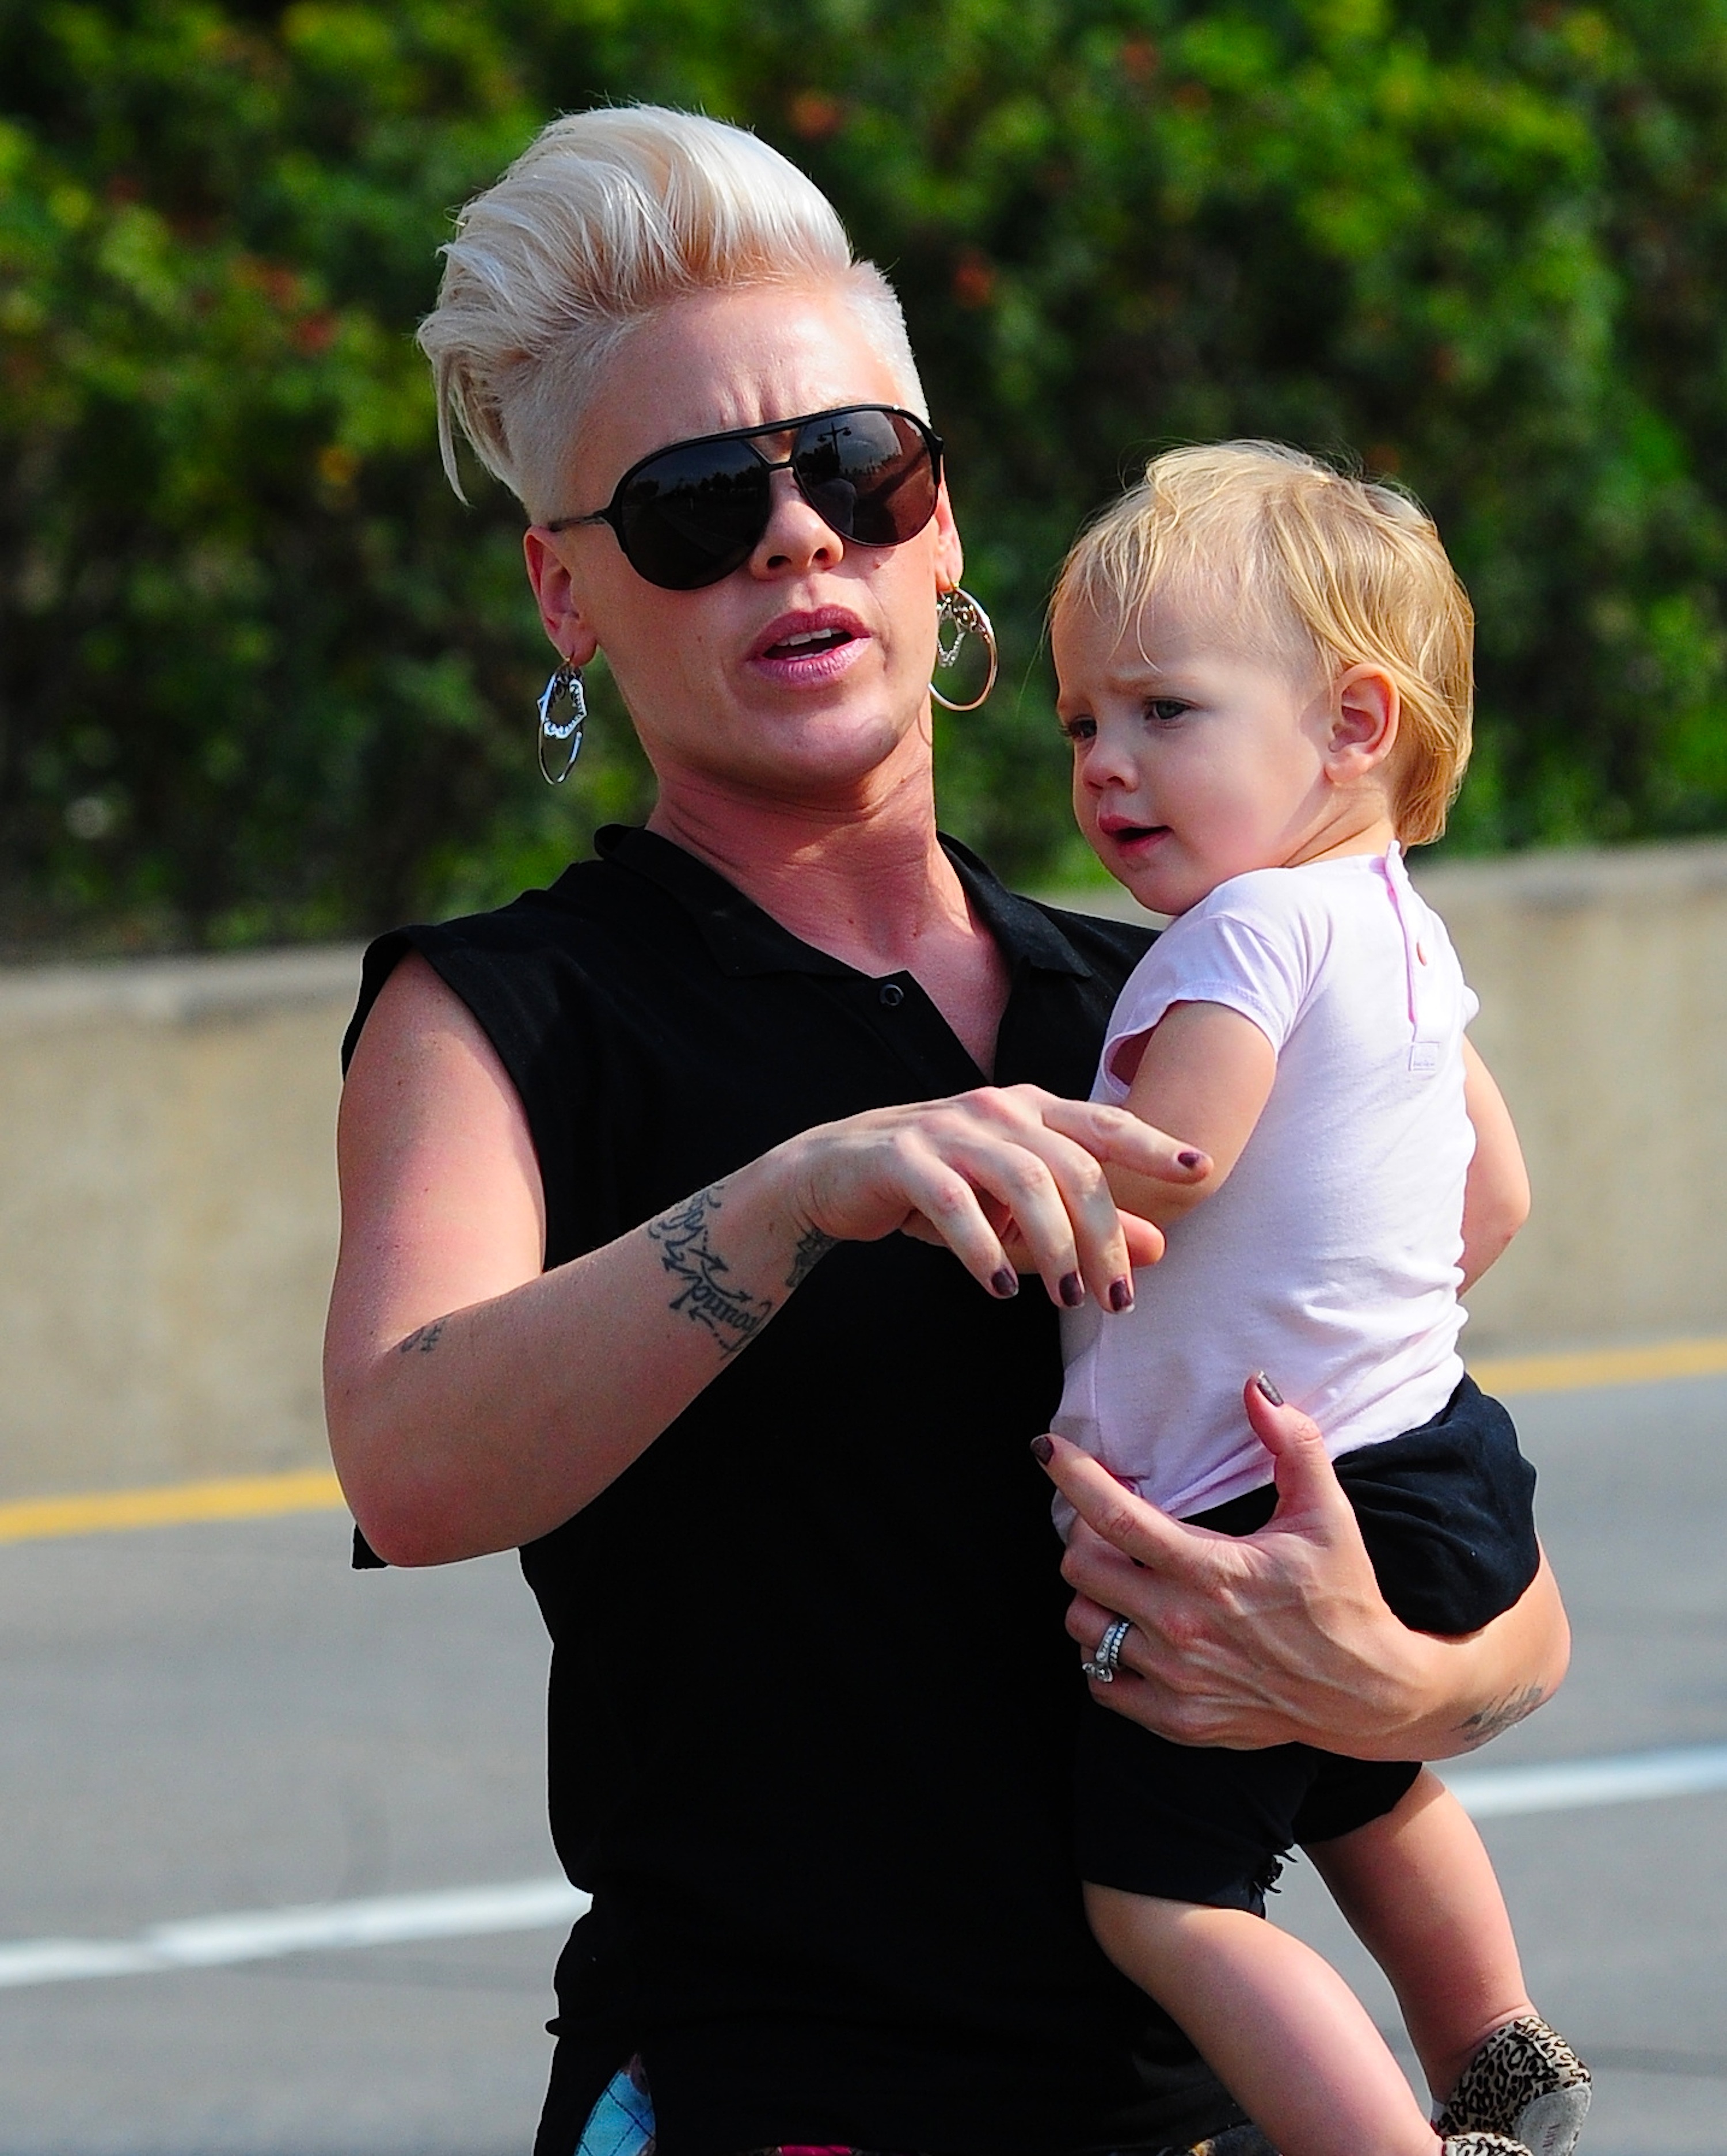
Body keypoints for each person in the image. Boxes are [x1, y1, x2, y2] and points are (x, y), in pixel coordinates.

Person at [322, 106, 1571, 2156]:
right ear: (567, 597)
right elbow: (414, 1453)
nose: (799, 538)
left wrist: (1392, 1681)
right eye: (695, 505)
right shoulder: (510, 1010)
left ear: (946, 530)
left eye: (856, 470)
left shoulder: (1173, 998)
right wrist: (800, 1195)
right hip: (781, 2095)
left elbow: (1457, 1500)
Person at [1039, 442, 1590, 2156]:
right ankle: (1498, 2050)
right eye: (1078, 726)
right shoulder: (1398, 929)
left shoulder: (1233, 935)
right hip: (1432, 1458)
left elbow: (1174, 1167)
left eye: (1162, 712)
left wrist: (1022, 1179)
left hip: (1263, 1501)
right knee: (1368, 1782)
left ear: (1354, 723)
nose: (1107, 765)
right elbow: (1487, 1196)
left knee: (1164, 1902)